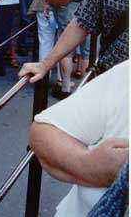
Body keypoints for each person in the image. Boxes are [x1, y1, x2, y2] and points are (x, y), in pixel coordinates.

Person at [29, 60, 129, 217]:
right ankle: (66, 83)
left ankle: (65, 83)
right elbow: (43, 131)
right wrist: (93, 166)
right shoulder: (124, 76)